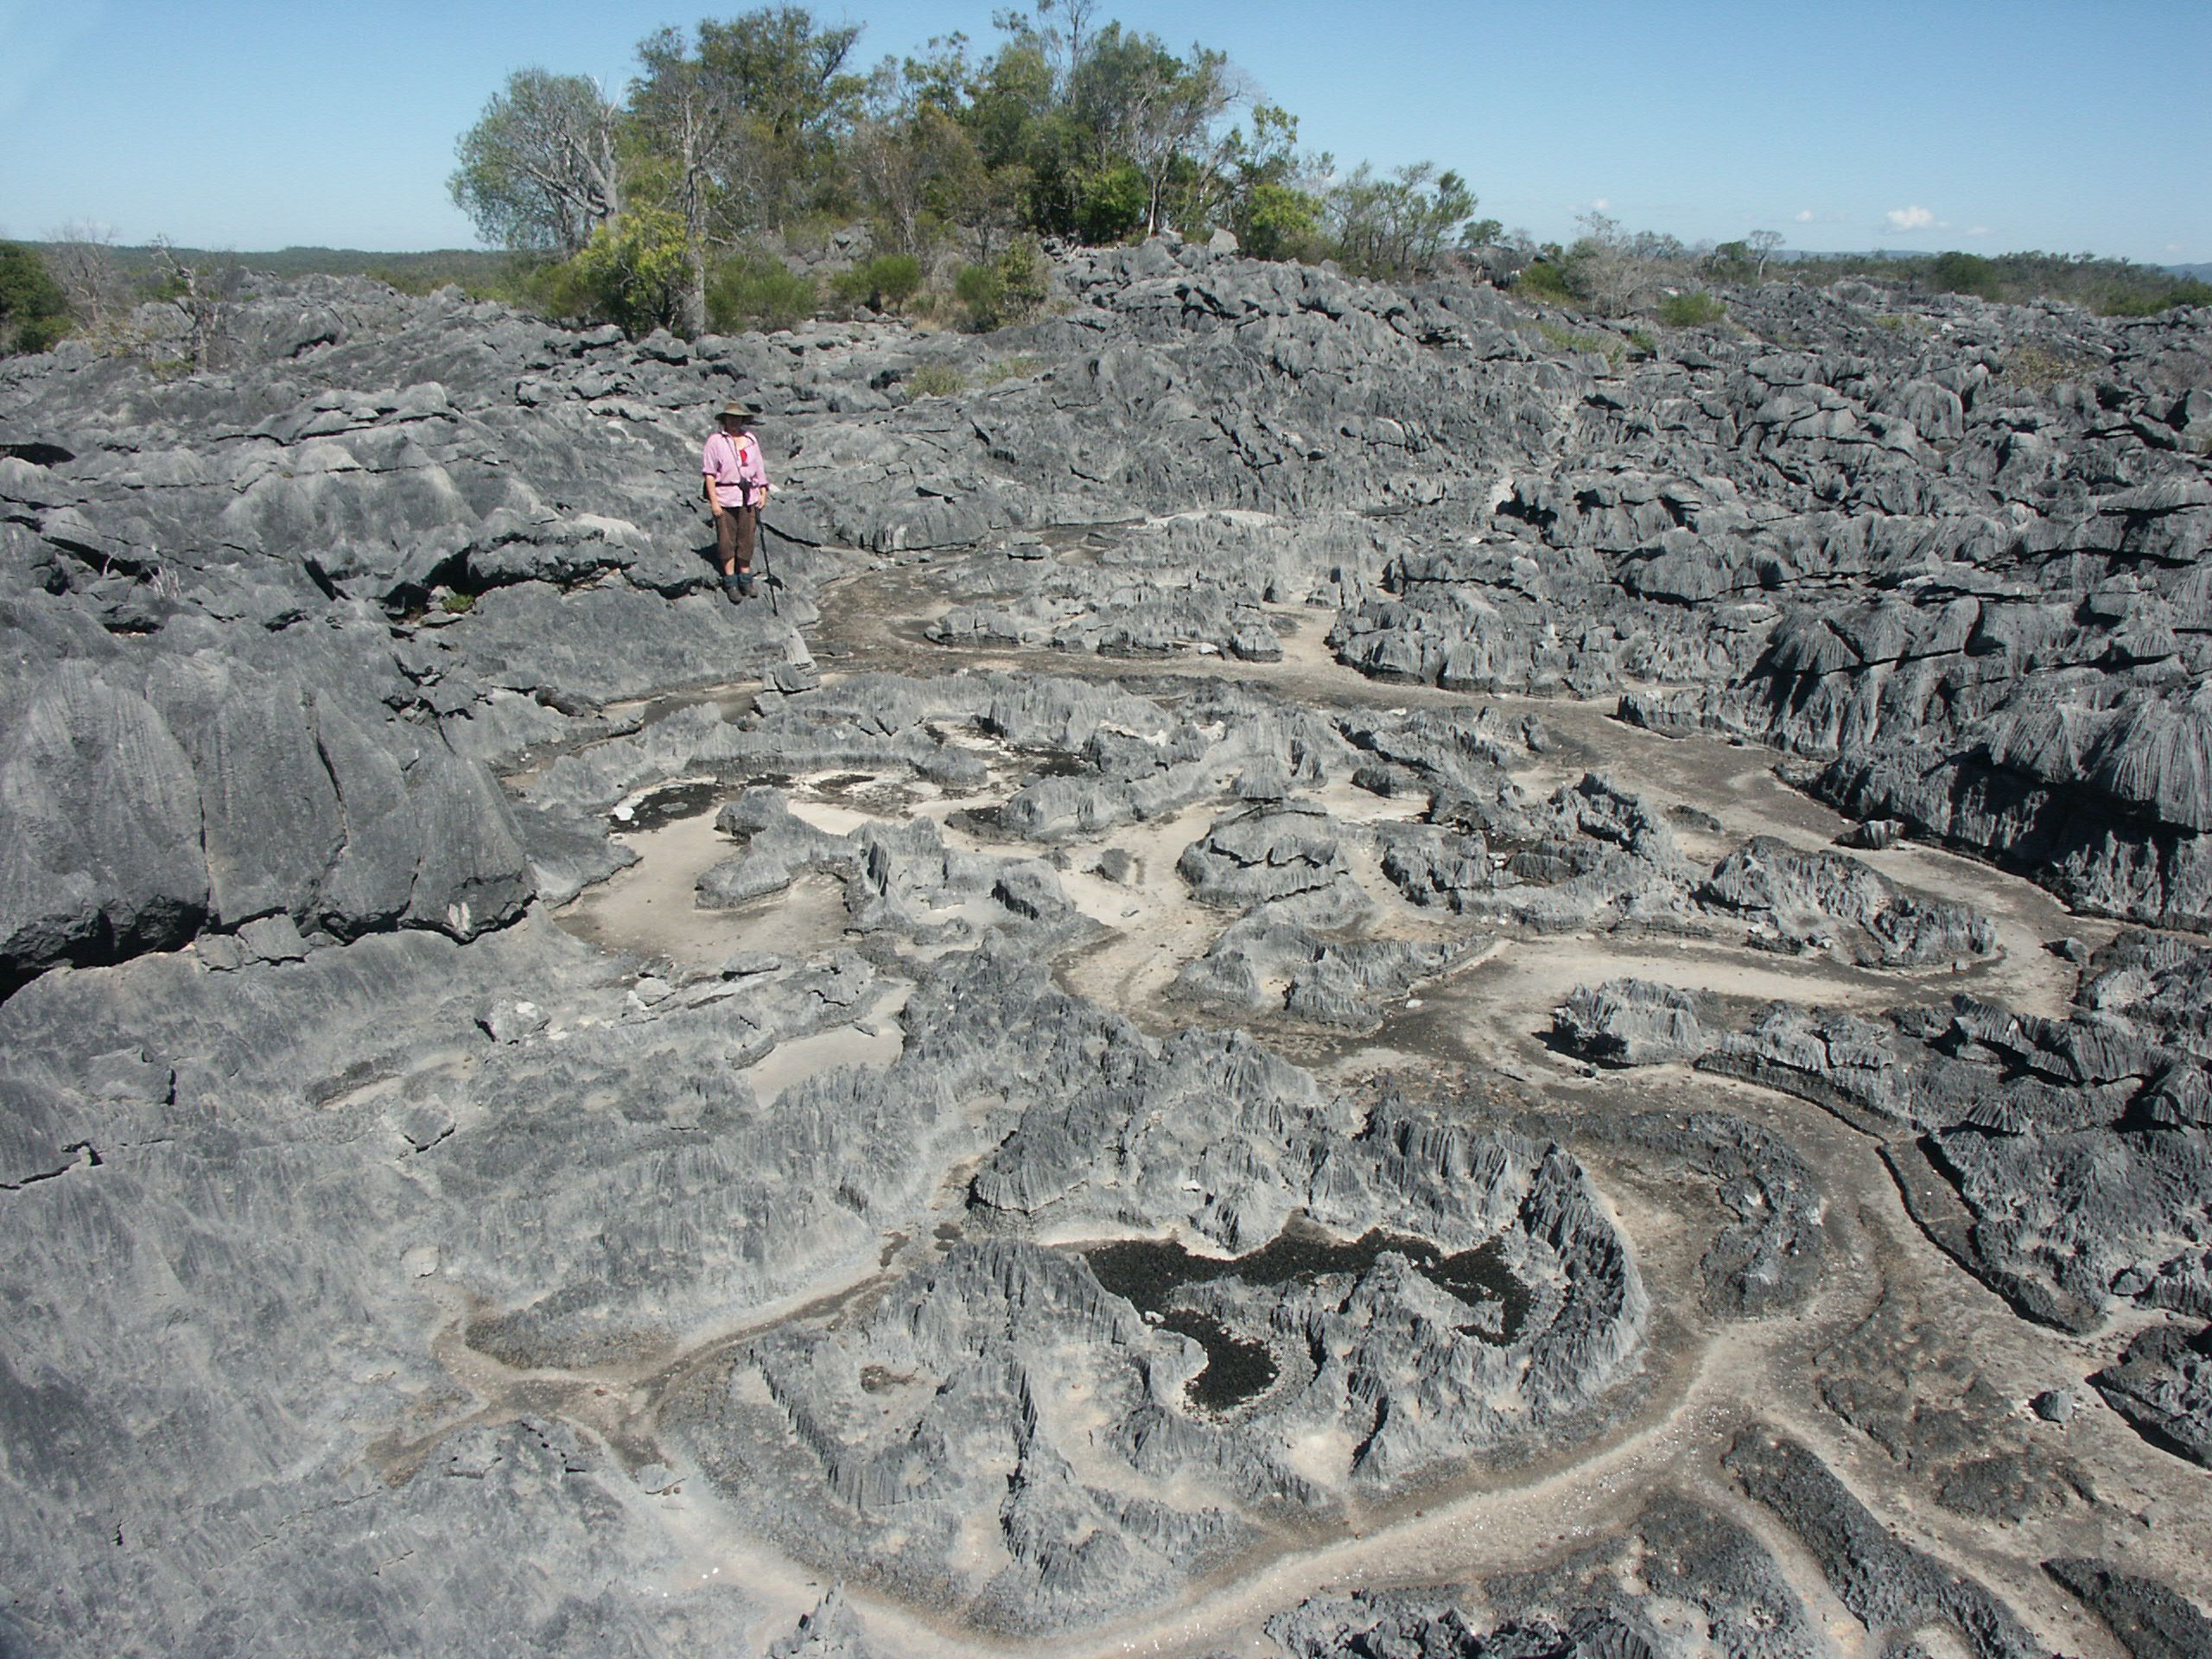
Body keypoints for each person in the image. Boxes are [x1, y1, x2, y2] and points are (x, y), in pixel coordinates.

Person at [702, 402, 769, 601]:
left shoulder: (750, 439)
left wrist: (763, 490)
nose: (734, 421)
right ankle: (730, 581)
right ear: (724, 419)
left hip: (748, 497)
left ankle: (745, 579)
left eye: (737, 418)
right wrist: (714, 502)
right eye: (730, 418)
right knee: (726, 540)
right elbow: (709, 474)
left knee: (747, 538)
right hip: (725, 497)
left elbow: (759, 467)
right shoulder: (715, 441)